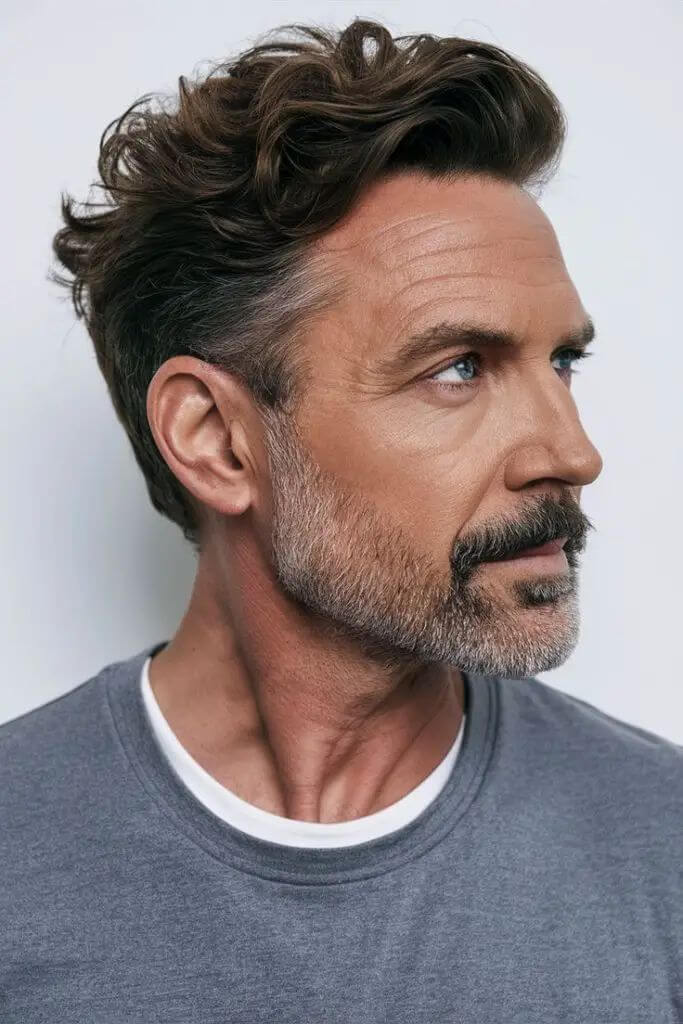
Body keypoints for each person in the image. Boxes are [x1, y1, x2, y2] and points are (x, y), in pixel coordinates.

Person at [1, 17, 680, 1023]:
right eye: (458, 367)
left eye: (560, 362)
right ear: (216, 440)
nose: (571, 454)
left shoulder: (660, 847)